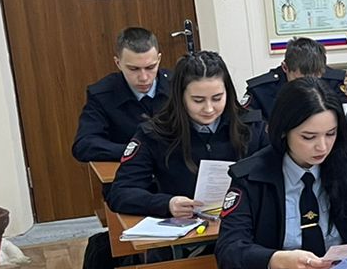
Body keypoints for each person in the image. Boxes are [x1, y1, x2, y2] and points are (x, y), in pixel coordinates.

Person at [215, 78, 347, 269]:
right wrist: (279, 260)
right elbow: (230, 247)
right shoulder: (251, 177)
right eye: (309, 137)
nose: (322, 147)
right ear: (284, 131)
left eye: (330, 134)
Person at [107, 51, 258, 218]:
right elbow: (120, 193)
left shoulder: (251, 126)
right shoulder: (155, 133)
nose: (209, 109)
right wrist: (167, 204)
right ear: (181, 97)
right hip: (185, 227)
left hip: (244, 223)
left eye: (217, 98)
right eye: (198, 100)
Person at [71, 26, 172, 162]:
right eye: (133, 69)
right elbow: (84, 145)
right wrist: (134, 152)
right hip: (129, 169)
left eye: (150, 67)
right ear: (118, 63)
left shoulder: (179, 86)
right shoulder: (101, 94)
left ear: (159, 59)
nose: (144, 77)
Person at [242, 36, 347, 121]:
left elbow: (346, 121)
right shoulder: (260, 91)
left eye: (316, 78)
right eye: (301, 80)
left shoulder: (333, 83)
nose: (309, 86)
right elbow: (251, 130)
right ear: (285, 68)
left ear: (322, 70)